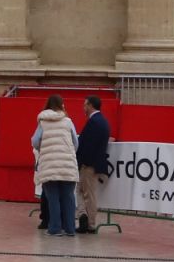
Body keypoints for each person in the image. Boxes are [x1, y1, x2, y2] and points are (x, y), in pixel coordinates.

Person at [30, 95, 79, 237]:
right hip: (67, 164)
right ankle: (70, 228)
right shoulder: (68, 121)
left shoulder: (43, 122)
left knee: (53, 198)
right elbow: (75, 142)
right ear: (61, 105)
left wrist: (43, 148)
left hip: (49, 164)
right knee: (68, 197)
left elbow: (35, 141)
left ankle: (55, 228)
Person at [76, 95, 113, 233]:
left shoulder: (93, 122)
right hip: (94, 164)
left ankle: (89, 222)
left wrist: (82, 163)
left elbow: (87, 146)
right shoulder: (103, 121)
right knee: (82, 191)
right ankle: (83, 217)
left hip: (88, 166)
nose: (83, 107)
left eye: (85, 105)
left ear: (91, 106)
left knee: (87, 194)